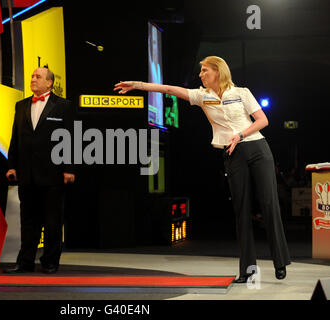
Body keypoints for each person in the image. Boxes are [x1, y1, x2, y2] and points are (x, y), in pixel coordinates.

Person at [114, 56, 291, 283]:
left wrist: (241, 134)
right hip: (232, 153)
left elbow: (262, 120)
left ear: (217, 72)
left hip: (257, 148)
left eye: (205, 70)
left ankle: (280, 261)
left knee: (269, 204)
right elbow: (168, 88)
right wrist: (137, 85)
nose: (201, 75)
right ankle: (247, 270)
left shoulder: (242, 93)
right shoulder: (202, 96)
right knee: (241, 210)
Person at [5, 67, 75, 274]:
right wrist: (11, 165)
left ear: (49, 83)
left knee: (52, 222)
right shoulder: (21, 106)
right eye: (32, 76)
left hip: (54, 174)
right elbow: (15, 139)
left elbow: (72, 139)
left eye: (38, 77)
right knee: (28, 222)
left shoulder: (64, 106)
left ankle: (50, 262)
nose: (33, 79)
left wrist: (69, 168)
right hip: (27, 174)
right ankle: (25, 262)